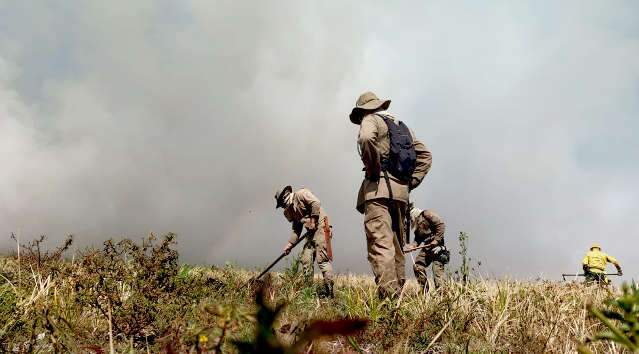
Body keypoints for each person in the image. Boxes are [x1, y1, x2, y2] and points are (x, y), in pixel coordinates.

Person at [350, 91, 432, 298]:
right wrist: (409, 183)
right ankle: (398, 296)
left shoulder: (370, 119)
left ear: (363, 111)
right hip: (400, 196)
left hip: (377, 191)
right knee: (397, 247)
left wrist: (373, 168)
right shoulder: (401, 126)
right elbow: (425, 156)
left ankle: (389, 301)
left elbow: (367, 138)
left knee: (381, 245)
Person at [275, 185, 334, 297]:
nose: (283, 208)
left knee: (322, 260)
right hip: (310, 233)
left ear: (284, 198)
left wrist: (313, 220)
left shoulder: (301, 194)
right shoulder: (291, 210)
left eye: (282, 205)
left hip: (321, 227)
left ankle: (329, 294)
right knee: (306, 259)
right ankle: (308, 293)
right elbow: (296, 228)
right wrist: (290, 244)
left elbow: (316, 203)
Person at [407, 206, 449, 293]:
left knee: (437, 271)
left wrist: (436, 240)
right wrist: (413, 245)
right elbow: (418, 238)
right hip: (427, 248)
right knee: (417, 266)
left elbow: (440, 225)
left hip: (438, 248)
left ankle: (442, 295)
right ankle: (424, 290)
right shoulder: (418, 225)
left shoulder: (427, 214)